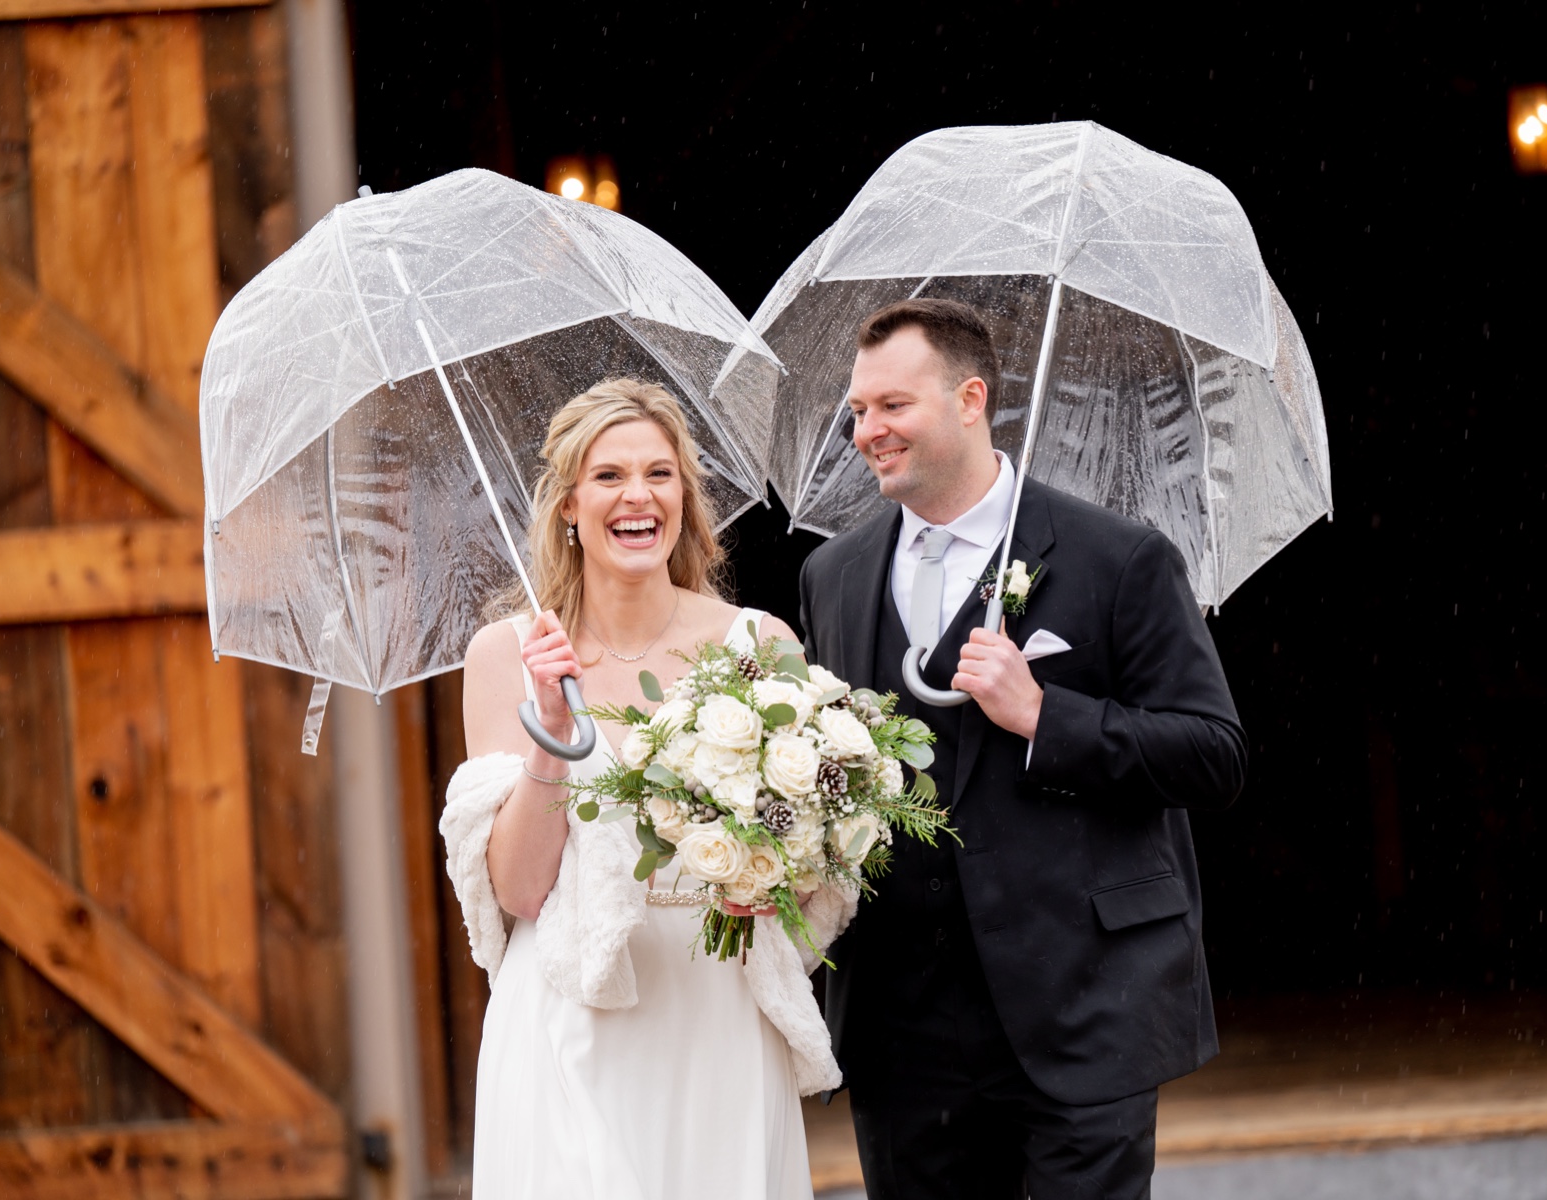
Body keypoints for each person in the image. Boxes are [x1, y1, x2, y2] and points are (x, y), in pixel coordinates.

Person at [798, 299, 1247, 1199]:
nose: (866, 432)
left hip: (1083, 1002)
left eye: (892, 407)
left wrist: (1048, 717)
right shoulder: (832, 574)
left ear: (972, 399)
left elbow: (1213, 753)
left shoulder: (1118, 558)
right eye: (857, 412)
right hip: (903, 1025)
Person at [440, 377, 848, 1200]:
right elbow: (518, 890)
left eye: (661, 474)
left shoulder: (757, 644)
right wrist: (551, 734)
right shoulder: (506, 655)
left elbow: (812, 858)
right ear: (568, 505)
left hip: (718, 1011)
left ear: (687, 501)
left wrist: (775, 877)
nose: (638, 497)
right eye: (609, 476)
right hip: (571, 1012)